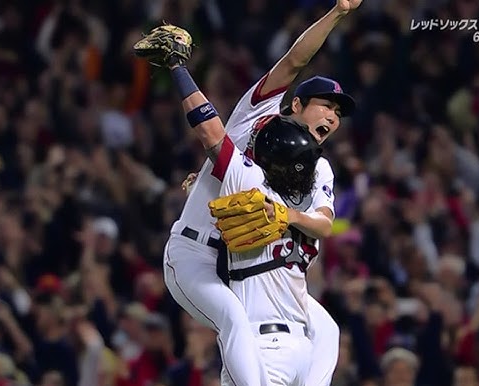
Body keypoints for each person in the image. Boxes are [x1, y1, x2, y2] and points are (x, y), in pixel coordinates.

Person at [136, 2, 362, 386]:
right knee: (235, 321)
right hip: (195, 254)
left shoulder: (315, 167)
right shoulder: (255, 118)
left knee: (325, 329)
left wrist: (287, 216)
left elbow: (323, 222)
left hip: (248, 266)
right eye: (326, 105)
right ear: (296, 104)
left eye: (339, 113)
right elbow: (292, 63)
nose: (332, 117)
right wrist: (338, 13)